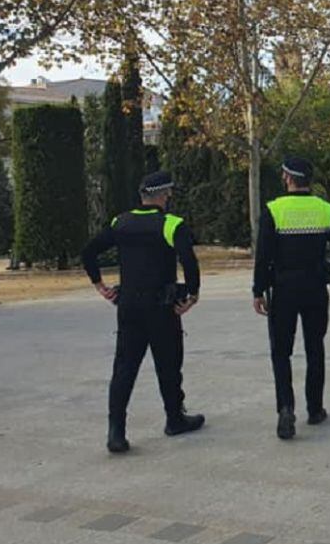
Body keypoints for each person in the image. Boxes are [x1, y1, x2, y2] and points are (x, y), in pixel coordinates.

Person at [82, 171, 205, 454]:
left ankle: (116, 432)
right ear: (164, 195)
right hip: (161, 306)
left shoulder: (120, 222)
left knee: (124, 367)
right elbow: (189, 262)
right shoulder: (171, 224)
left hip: (128, 306)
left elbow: (89, 252)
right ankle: (174, 418)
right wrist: (192, 294)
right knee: (169, 363)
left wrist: (100, 285)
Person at [252, 157, 330, 440]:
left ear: (287, 178)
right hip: (315, 287)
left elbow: (263, 256)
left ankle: (285, 407)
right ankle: (315, 408)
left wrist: (258, 290)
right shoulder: (325, 209)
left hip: (283, 289)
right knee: (314, 347)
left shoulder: (274, 209)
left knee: (281, 351)